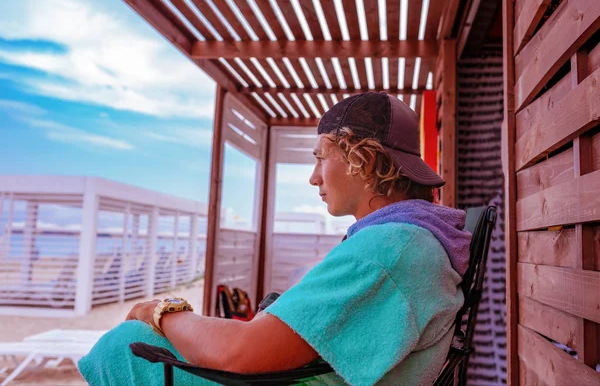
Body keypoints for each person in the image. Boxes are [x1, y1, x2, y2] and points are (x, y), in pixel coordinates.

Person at [78, 92, 471, 386]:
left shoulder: (391, 250)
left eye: (321, 157)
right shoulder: (406, 243)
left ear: (363, 161)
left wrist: (162, 310)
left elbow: (241, 352)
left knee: (127, 343)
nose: (314, 177)